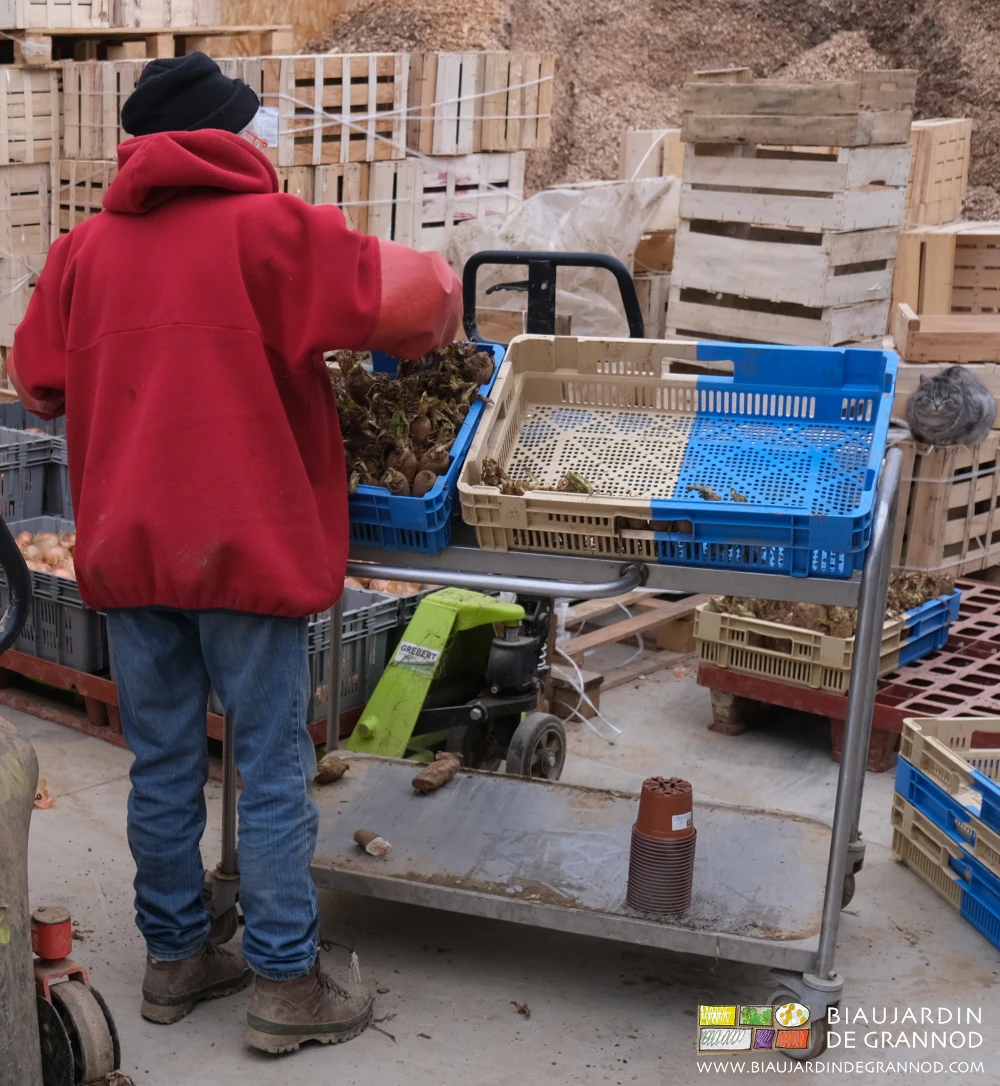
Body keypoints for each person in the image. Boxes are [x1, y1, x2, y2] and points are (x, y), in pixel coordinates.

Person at [8, 52, 462, 1054]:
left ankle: (174, 961)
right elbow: (424, 301)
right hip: (250, 553)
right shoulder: (274, 232)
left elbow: (35, 377)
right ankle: (286, 984)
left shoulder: (85, 252)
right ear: (232, 136)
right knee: (267, 768)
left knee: (164, 765)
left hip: (132, 555)